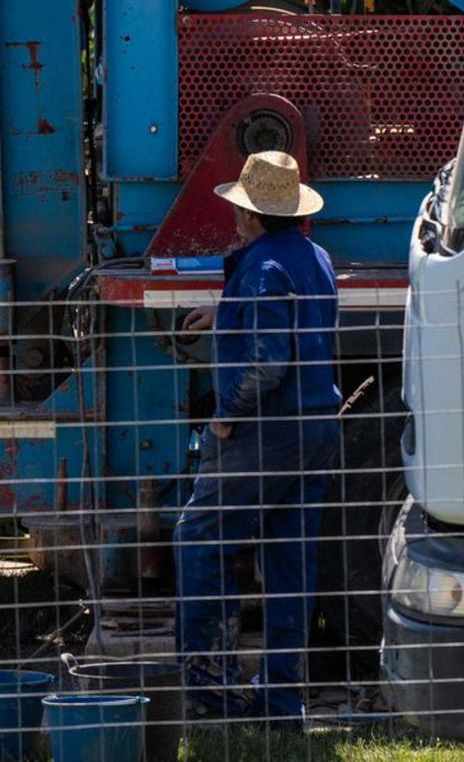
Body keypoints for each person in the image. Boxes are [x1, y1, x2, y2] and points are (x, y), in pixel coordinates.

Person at [173, 150, 341, 725]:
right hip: (315, 427)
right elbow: (296, 325)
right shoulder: (313, 257)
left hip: (266, 430)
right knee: (291, 558)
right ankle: (281, 702)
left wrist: (225, 415)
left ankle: (210, 689)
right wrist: (225, 312)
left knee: (200, 540)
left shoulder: (262, 267)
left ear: (249, 215)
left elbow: (267, 361)